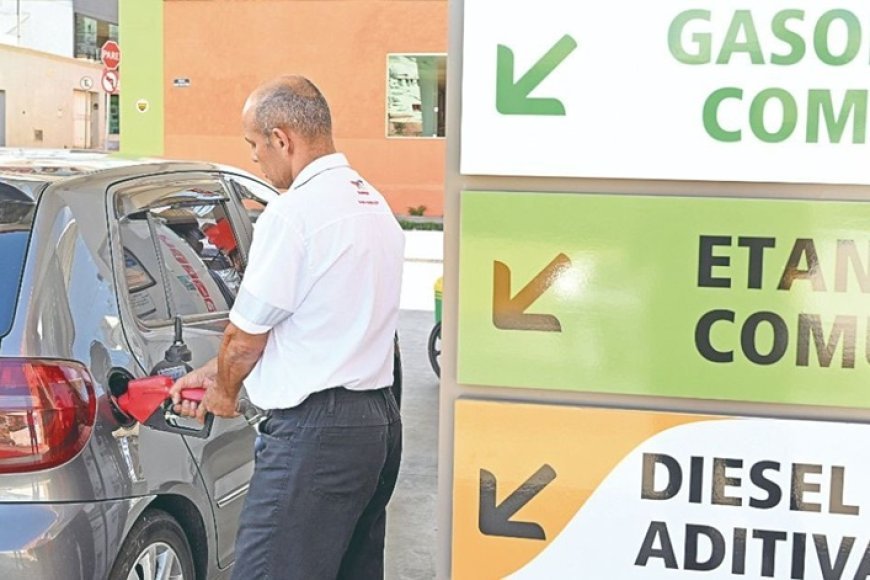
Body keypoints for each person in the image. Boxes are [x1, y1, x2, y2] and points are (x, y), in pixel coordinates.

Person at [169, 75, 405, 579]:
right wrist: (213, 372)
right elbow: (315, 326)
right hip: (376, 426)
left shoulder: (293, 214)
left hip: (316, 437)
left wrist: (224, 392)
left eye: (254, 144)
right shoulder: (371, 203)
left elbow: (244, 338)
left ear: (282, 139)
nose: (255, 157)